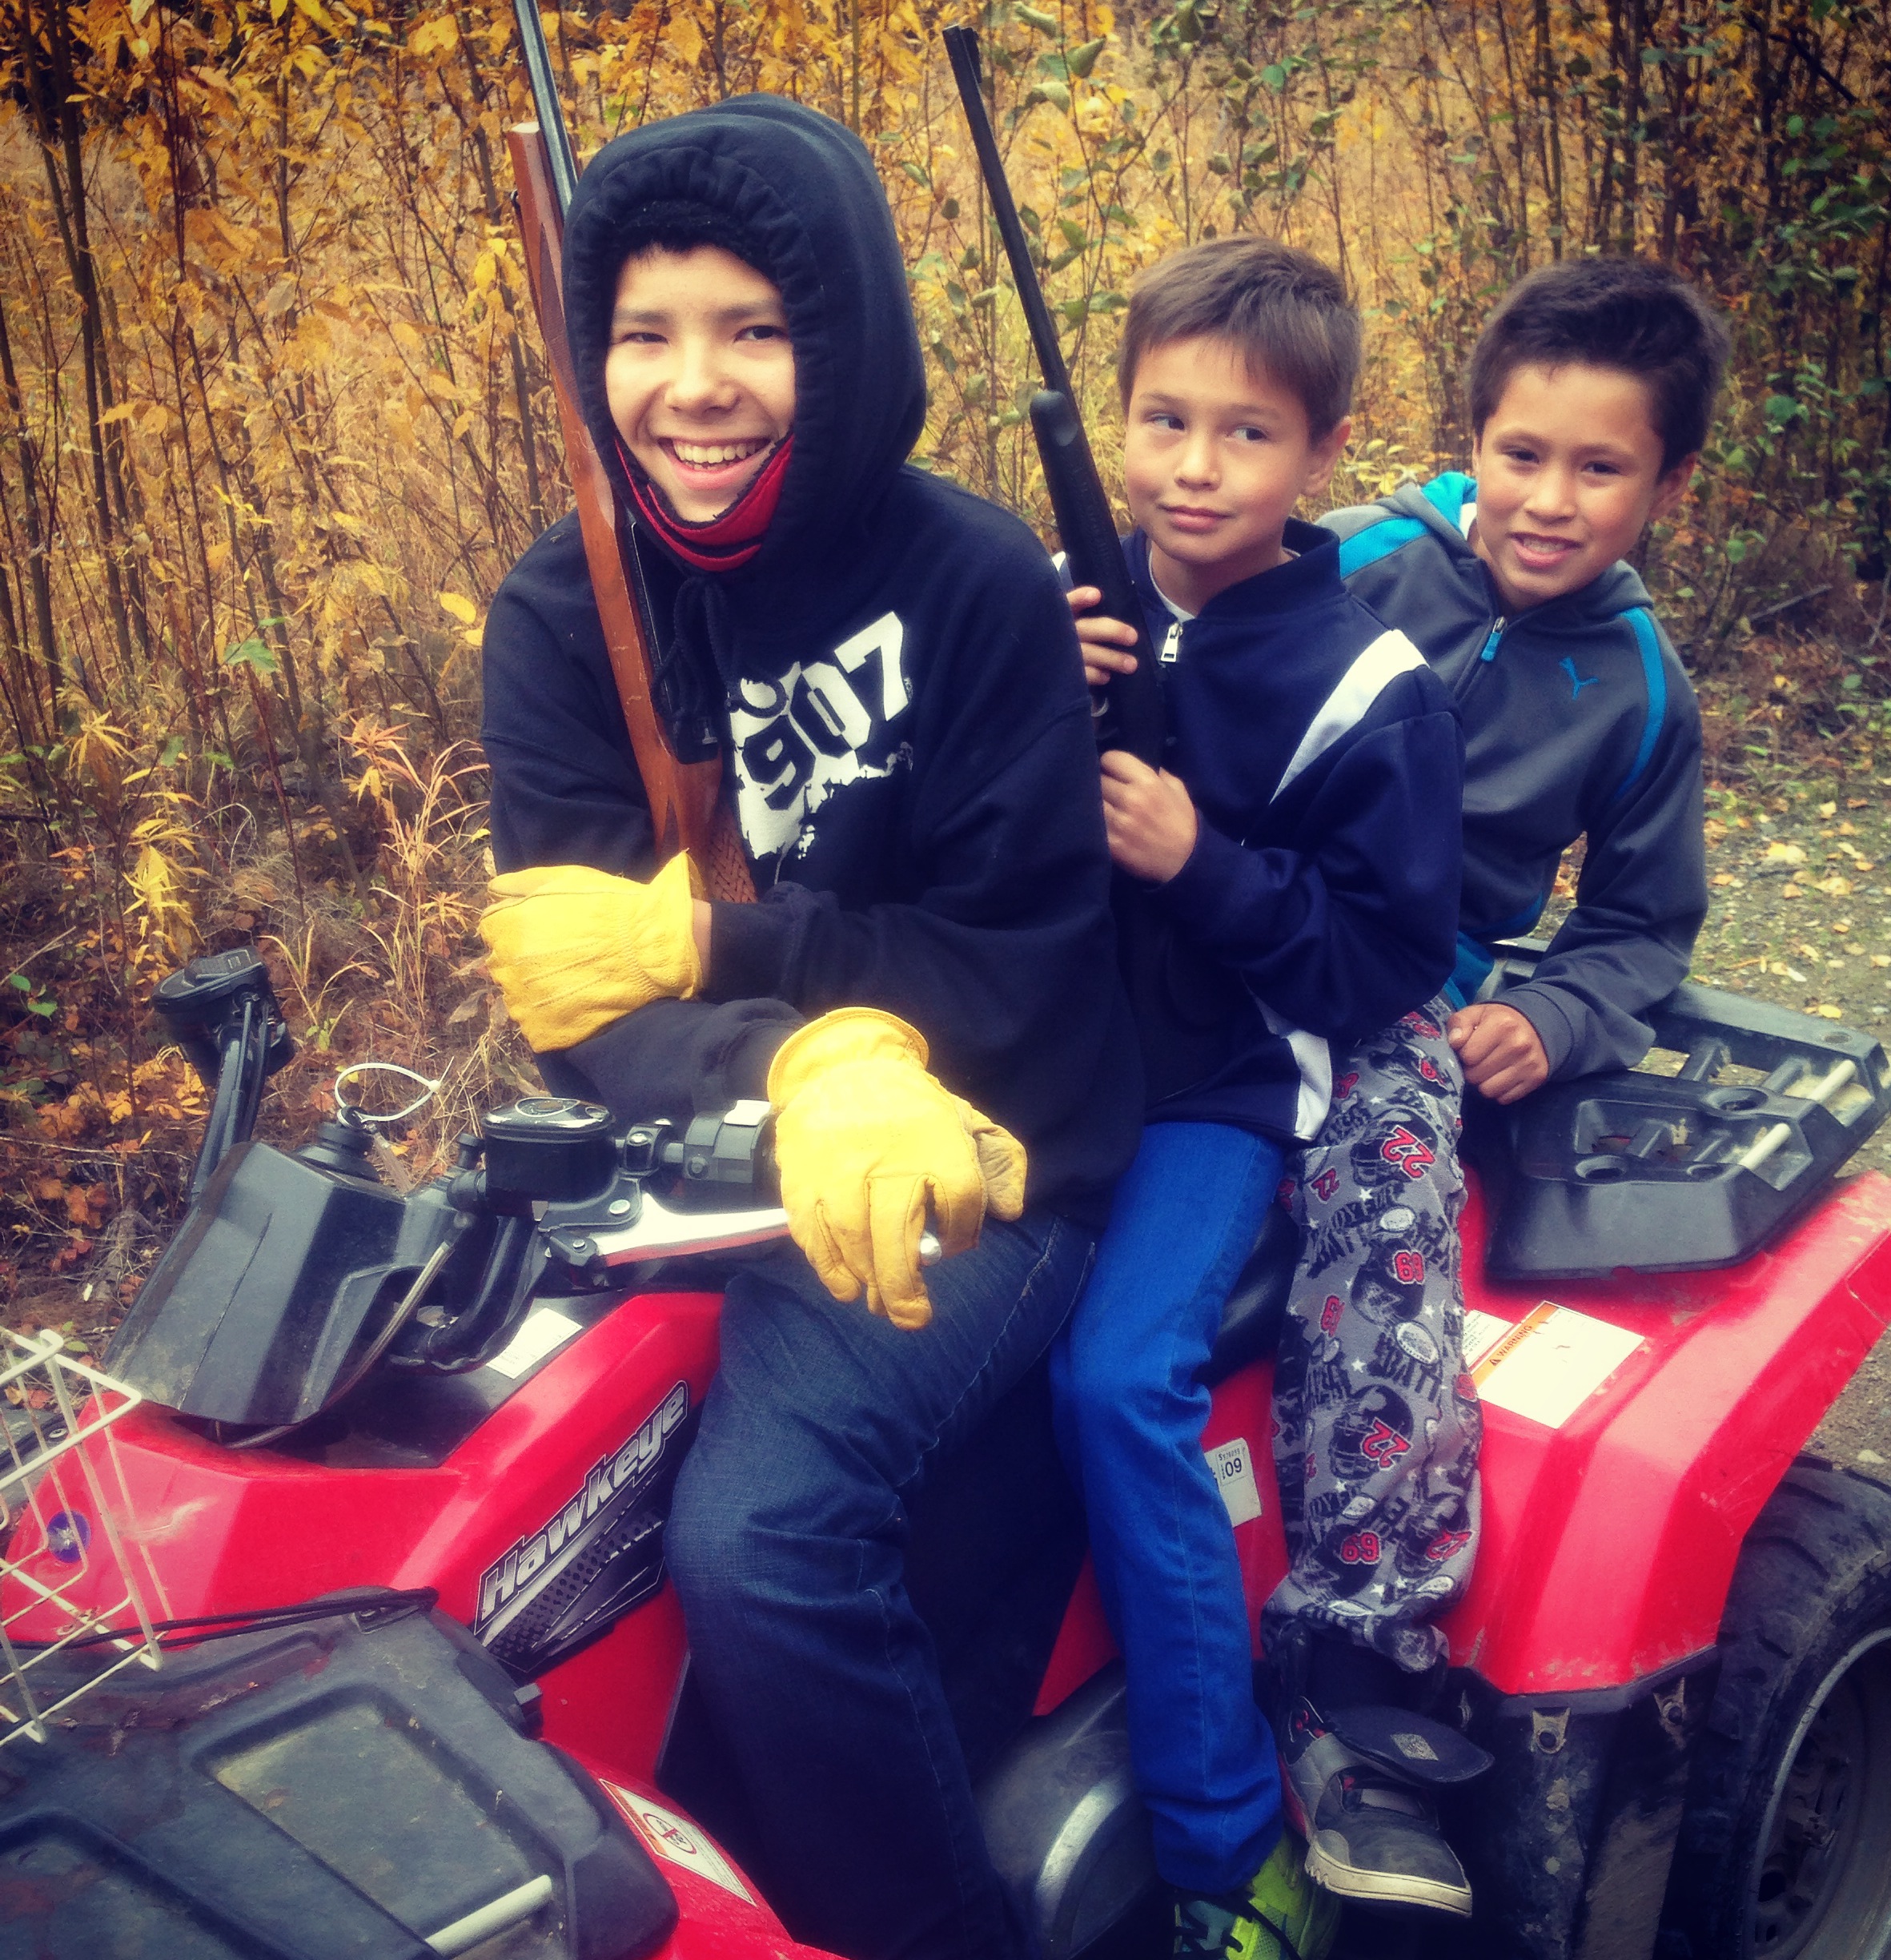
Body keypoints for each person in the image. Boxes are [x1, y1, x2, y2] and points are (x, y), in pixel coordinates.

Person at [476, 97, 1140, 1960]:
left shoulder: (977, 584)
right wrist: (782, 1060)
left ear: (839, 340)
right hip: (699, 1158)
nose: (693, 387)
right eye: (644, 332)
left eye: (753, 329)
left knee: (760, 1541)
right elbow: (582, 1001)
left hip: (1008, 1146)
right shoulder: (561, 616)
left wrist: (748, 963)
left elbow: (1022, 970)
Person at [1073, 253, 1730, 1922]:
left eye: (1599, 469)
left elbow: (1642, 921)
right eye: (1522, 454)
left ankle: (1359, 1665)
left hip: (1405, 993)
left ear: (1666, 484)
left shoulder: (1639, 688)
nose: (1548, 501)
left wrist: (1558, 1013)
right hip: (1200, 936)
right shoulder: (1351, 554)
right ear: (1469, 440)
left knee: (1383, 1211)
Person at [1052, 235, 1464, 1960]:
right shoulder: (1060, 603)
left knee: (1114, 1379)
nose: (1195, 468)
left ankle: (1226, 1850)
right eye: (1164, 420)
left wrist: (1200, 862)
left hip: (1216, 1091)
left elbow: (1381, 960)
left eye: (1247, 434)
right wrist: (1028, 694)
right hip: (1033, 1063)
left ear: (1320, 455)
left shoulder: (1370, 687)